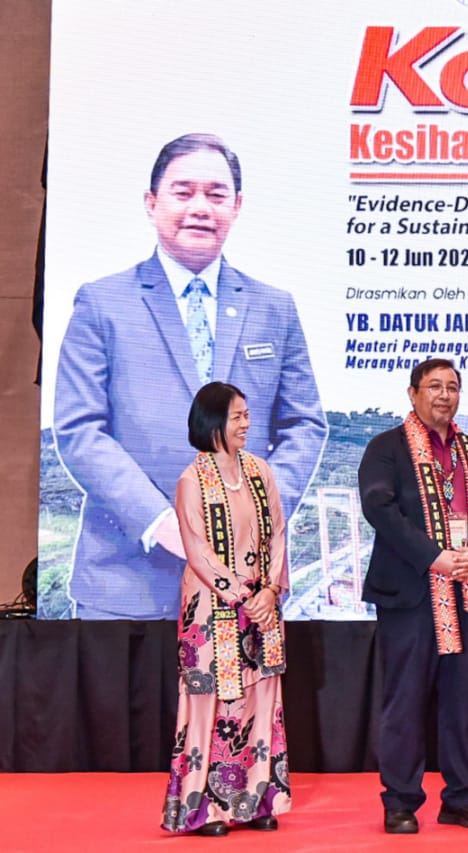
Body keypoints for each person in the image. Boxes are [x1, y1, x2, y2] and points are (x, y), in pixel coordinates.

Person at [54, 132, 327, 620]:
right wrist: (162, 523)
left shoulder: (275, 308)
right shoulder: (102, 303)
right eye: (183, 192)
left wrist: (259, 515)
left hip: (245, 588)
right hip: (125, 586)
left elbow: (304, 425)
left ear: (237, 207)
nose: (201, 207)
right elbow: (80, 430)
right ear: (151, 202)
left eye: (216, 194)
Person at [358, 358, 468, 834]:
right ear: (413, 393)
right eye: (434, 386)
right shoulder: (386, 448)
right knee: (405, 701)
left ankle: (462, 799)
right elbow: (379, 508)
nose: (444, 395)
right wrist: (433, 557)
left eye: (452, 387)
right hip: (410, 594)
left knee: (462, 702)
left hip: (466, 592)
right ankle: (400, 802)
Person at [161, 382, 291, 836]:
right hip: (211, 611)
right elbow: (197, 551)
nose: (246, 423)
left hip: (261, 607)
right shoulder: (191, 480)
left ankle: (255, 801)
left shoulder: (259, 471)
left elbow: (277, 533)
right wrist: (241, 596)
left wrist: (270, 591)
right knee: (209, 703)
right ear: (212, 421)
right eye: (237, 416)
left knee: (261, 699)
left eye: (246, 415)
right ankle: (205, 809)